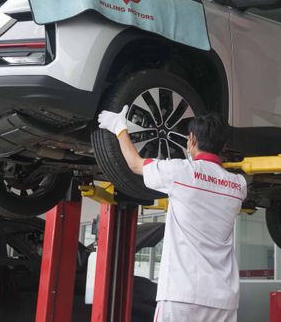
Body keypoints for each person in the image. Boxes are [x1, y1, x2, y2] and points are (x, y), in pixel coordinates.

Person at [98, 107, 247, 322]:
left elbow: (135, 164)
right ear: (223, 146)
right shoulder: (238, 186)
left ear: (192, 139)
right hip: (223, 299)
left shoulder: (180, 172)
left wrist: (119, 128)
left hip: (182, 295)